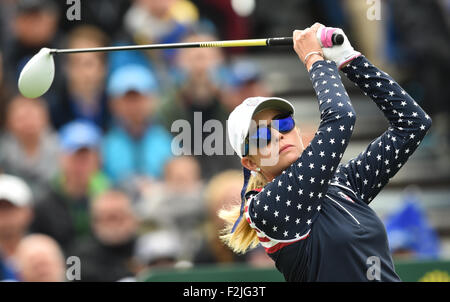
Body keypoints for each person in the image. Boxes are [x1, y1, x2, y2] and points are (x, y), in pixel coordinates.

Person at [219, 23, 432, 282]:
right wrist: (315, 59)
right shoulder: (265, 206)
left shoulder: (342, 184)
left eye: (283, 123)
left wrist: (349, 59)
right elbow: (341, 118)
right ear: (250, 162)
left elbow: (412, 124)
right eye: (262, 136)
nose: (277, 135)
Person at [30, 120, 109, 253]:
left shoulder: (109, 196)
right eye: (75, 157)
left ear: (98, 160)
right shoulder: (44, 202)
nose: (80, 165)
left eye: (86, 158)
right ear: (61, 158)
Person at [102, 63, 173, 187]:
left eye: (139, 98)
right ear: (113, 103)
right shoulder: (103, 146)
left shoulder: (168, 142)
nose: (134, 106)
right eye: (127, 99)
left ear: (153, 100)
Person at [135, 156, 206, 261]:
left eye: (186, 178)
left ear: (197, 178)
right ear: (166, 179)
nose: (182, 185)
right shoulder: (151, 208)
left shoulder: (209, 205)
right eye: (178, 179)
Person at [49, 25, 111, 131]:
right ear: (65, 68)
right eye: (76, 62)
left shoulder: (116, 108)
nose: (83, 71)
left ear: (103, 67)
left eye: (88, 63)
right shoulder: (53, 109)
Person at [68, 190, 138, 282]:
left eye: (119, 217)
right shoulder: (77, 257)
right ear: (95, 222)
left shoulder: (145, 249)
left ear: (132, 219)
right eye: (108, 218)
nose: (114, 224)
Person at [0, 95, 60, 201]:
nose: (28, 123)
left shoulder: (59, 148)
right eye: (21, 118)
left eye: (33, 117)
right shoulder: (3, 151)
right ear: (9, 122)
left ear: (45, 118)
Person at [0, 174, 34, 278]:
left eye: (11, 208)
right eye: (1, 209)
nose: (6, 215)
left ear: (28, 211)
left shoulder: (41, 253)